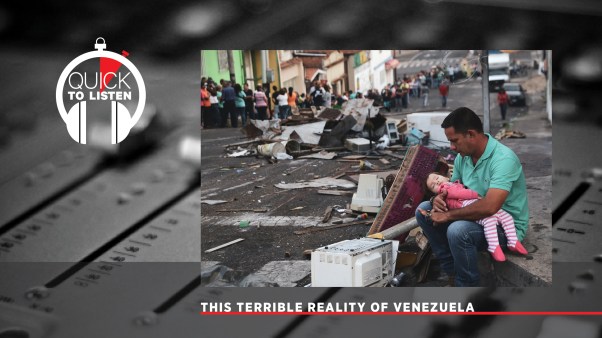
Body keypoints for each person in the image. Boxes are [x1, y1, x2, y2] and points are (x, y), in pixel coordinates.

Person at [415, 107, 529, 286]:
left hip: (504, 226)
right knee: (423, 210)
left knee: (458, 230)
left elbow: (490, 207)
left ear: (470, 134)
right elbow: (452, 189)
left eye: (454, 141)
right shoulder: (463, 157)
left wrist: (447, 215)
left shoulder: (503, 159)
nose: (452, 147)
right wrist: (437, 200)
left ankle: (467, 287)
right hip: (475, 217)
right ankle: (452, 271)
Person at [420, 172, 528, 262]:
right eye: (433, 186)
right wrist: (476, 194)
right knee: (488, 220)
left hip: (475, 204)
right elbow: (460, 194)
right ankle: (494, 246)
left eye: (437, 178)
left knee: (507, 216)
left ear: (447, 176)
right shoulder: (447, 188)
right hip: (467, 205)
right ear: (434, 192)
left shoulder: (453, 183)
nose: (437, 182)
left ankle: (513, 241)